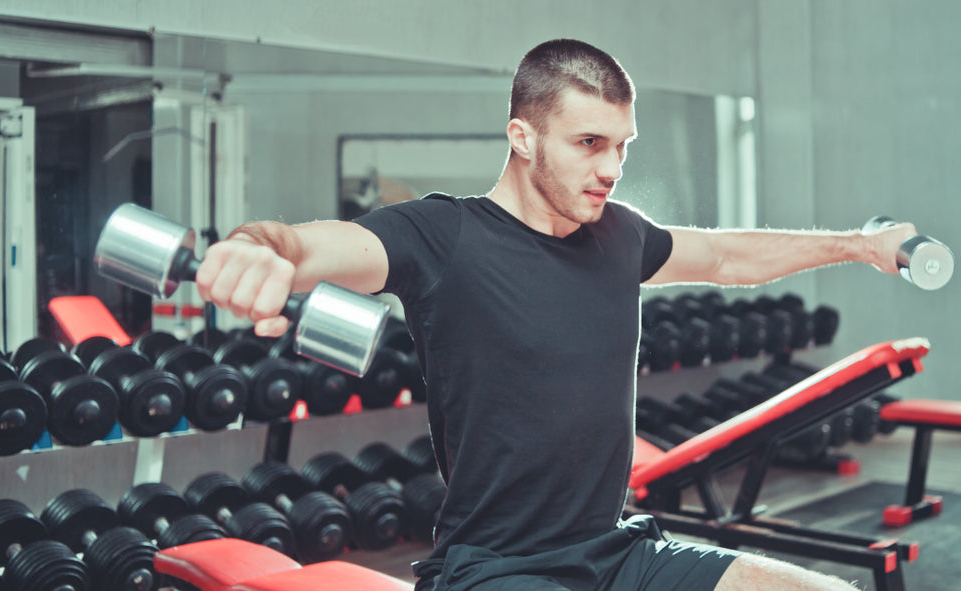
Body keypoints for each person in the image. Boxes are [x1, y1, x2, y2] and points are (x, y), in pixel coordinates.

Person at [196, 39, 914, 591]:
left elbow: (727, 256)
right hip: (496, 568)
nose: (611, 168)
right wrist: (257, 247)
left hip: (617, 550)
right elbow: (306, 243)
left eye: (621, 146)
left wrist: (860, 245)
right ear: (522, 136)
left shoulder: (621, 235)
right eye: (589, 143)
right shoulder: (444, 238)